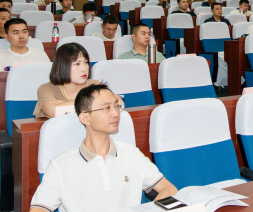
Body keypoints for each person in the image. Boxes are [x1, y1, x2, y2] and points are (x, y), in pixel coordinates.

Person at [29, 84, 177, 212]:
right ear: (85, 118)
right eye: (106, 108)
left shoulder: (132, 154)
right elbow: (39, 208)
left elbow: (169, 189)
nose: (115, 113)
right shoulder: (60, 165)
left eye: (117, 106)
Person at [34, 43, 109, 118]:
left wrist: (67, 104)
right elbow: (55, 111)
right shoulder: (46, 88)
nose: (84, 69)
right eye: (77, 64)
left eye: (86, 62)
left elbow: (114, 102)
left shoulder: (94, 85)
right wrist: (95, 102)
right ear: (62, 66)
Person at [0, 18, 51, 90]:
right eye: (16, 33)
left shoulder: (40, 54)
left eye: (24, 32)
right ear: (7, 37)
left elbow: (52, 78)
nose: (21, 36)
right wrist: (15, 84)